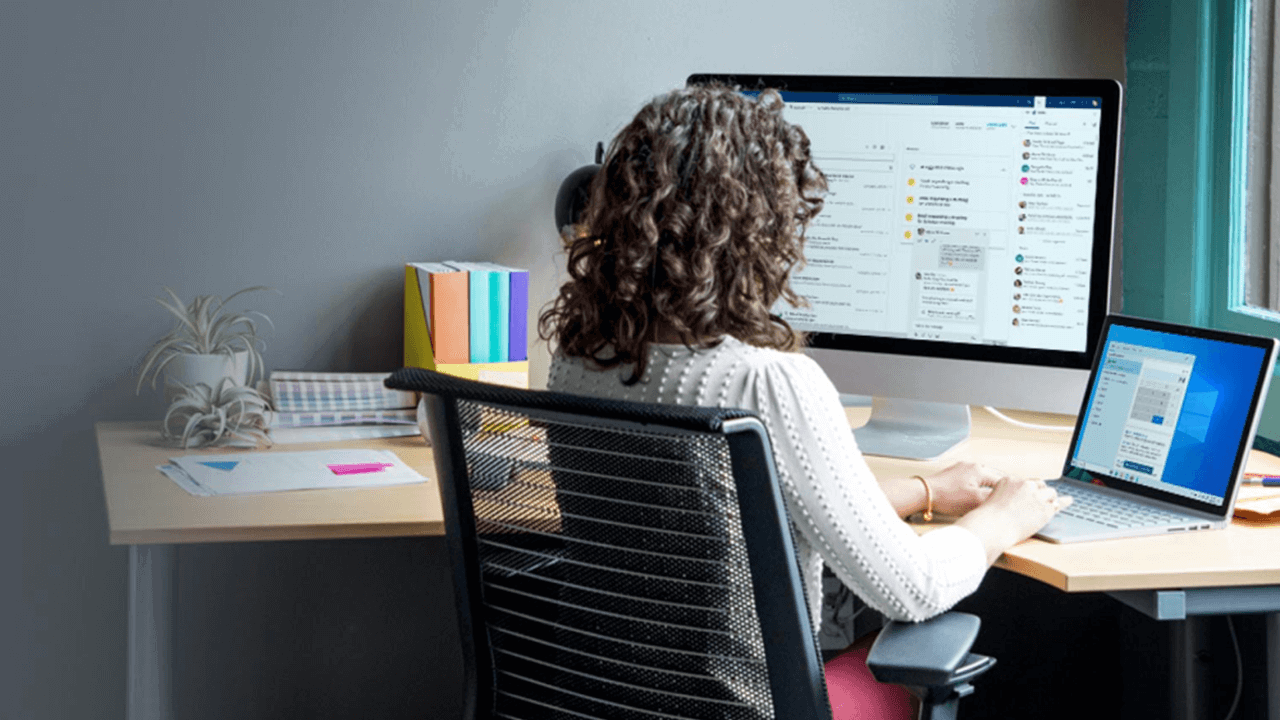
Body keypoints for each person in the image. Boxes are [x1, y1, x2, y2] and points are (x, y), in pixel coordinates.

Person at [539, 84, 1069, 720]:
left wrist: (921, 492)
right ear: (759, 230)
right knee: (938, 643)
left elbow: (720, 519)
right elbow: (914, 588)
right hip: (751, 708)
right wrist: (1004, 520)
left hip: (601, 701)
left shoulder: (579, 359)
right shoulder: (768, 382)